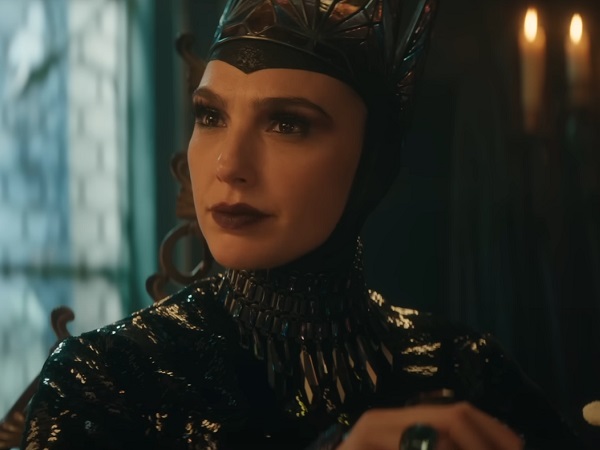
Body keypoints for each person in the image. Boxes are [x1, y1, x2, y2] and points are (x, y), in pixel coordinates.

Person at [22, 1, 581, 449]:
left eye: (287, 123)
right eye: (210, 116)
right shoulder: (107, 380)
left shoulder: (465, 370)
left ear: (372, 162)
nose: (228, 165)